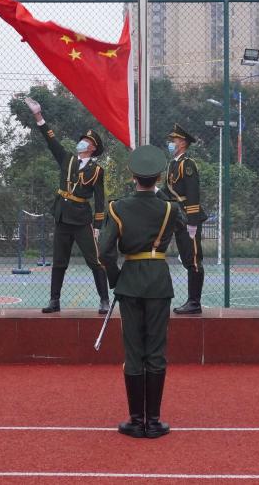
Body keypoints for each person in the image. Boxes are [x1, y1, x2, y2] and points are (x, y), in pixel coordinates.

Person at [99, 145, 186, 439]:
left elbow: (104, 252)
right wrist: (161, 194)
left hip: (131, 282)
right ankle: (154, 421)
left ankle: (137, 421)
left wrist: (117, 280)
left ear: (132, 175)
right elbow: (183, 224)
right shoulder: (169, 208)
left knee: (134, 351)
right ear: (159, 177)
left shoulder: (117, 207)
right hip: (159, 281)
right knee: (156, 350)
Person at [23, 96, 110, 314]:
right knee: (59, 262)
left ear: (92, 148)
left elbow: (100, 199)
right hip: (62, 217)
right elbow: (51, 140)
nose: (82, 142)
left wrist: (98, 226)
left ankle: (104, 300)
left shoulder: (97, 170)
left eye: (86, 141)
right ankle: (55, 301)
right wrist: (38, 115)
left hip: (81, 220)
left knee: (94, 261)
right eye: (82, 140)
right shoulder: (67, 159)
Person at [163, 124, 207, 315]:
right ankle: (192, 302)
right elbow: (167, 191)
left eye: (174, 140)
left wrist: (193, 221)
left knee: (193, 260)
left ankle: (194, 303)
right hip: (179, 218)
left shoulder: (187, 164)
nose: (171, 143)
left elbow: (193, 193)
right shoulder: (173, 164)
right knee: (188, 259)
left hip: (188, 218)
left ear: (182, 143)